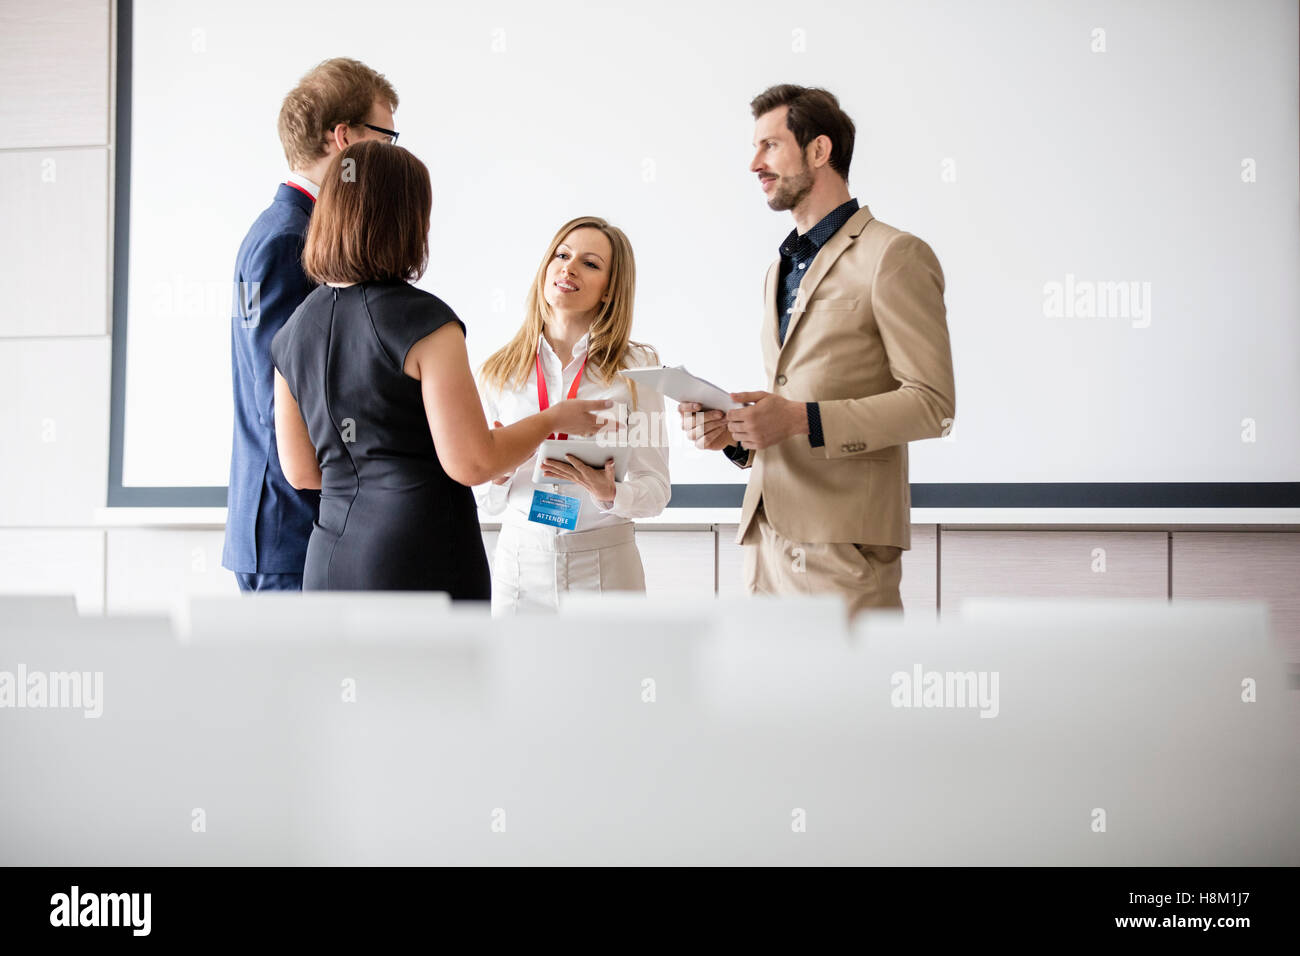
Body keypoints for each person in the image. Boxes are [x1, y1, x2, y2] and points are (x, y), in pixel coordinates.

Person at [270, 143, 610, 595]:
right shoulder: (425, 321)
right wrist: (551, 419)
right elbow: (474, 462)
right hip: (418, 558)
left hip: (329, 559)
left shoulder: (291, 332)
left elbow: (301, 473)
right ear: (406, 221)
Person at [679, 84, 956, 615]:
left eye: (770, 146)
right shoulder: (777, 270)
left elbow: (933, 405)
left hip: (844, 552)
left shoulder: (894, 254)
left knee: (851, 699)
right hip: (765, 545)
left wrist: (801, 419)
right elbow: (791, 401)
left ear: (819, 151)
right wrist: (737, 432)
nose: (754, 163)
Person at [223, 58, 402, 592]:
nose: (391, 154)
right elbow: (283, 391)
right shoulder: (290, 240)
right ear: (344, 139)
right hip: (292, 526)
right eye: (386, 136)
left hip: (291, 524)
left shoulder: (283, 228)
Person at [475, 217, 670, 614]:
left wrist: (611, 493)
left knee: (609, 678)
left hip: (605, 563)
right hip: (520, 564)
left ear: (610, 290)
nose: (569, 267)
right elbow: (484, 501)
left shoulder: (639, 368)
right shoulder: (499, 370)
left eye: (590, 263)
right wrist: (497, 474)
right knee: (519, 677)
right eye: (562, 255)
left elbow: (656, 490)